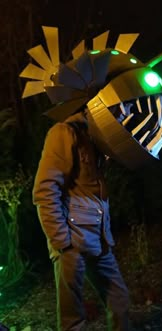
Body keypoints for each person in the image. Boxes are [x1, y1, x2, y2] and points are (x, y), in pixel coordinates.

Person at [33, 109, 130, 331]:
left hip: (99, 239)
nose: (126, 111)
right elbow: (45, 190)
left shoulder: (97, 137)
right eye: (123, 107)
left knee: (119, 299)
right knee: (72, 319)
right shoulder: (65, 133)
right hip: (71, 240)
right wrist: (61, 241)